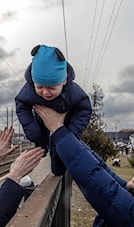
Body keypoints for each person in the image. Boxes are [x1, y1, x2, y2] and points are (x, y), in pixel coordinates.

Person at [15, 44, 92, 176]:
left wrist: (72, 133)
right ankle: (42, 148)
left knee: (60, 145)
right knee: (38, 136)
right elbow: (21, 105)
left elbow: (85, 109)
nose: (45, 93)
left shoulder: (73, 92)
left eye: (51, 88)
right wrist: (30, 128)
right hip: (40, 118)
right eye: (40, 87)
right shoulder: (29, 90)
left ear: (64, 81)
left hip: (65, 121)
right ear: (33, 82)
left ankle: (58, 170)